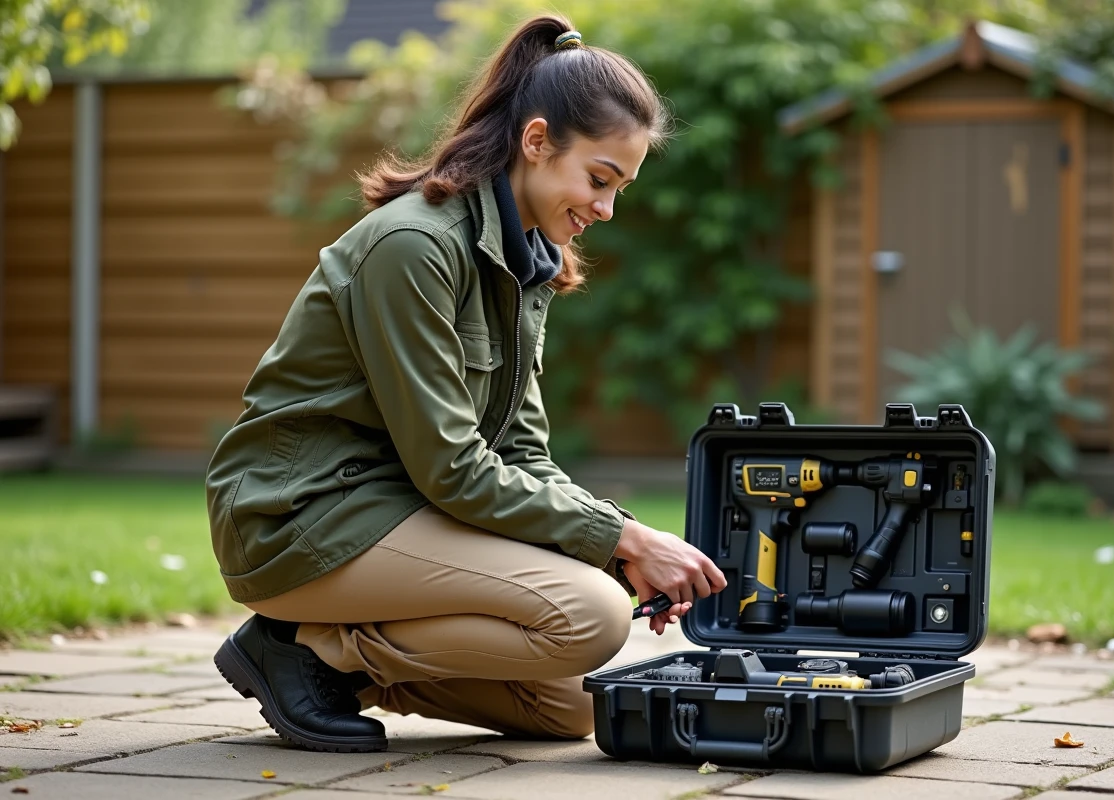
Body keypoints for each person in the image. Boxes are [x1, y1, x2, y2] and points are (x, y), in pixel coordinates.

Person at [205, 14, 727, 754]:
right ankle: (306, 648)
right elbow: (451, 466)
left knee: (570, 706)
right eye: (600, 180)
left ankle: (344, 668)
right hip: (302, 515)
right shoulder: (415, 245)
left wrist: (614, 548)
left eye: (622, 189)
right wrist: (624, 537)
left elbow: (520, 450)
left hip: (394, 507)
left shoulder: (524, 260)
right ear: (537, 141)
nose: (606, 209)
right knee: (591, 618)